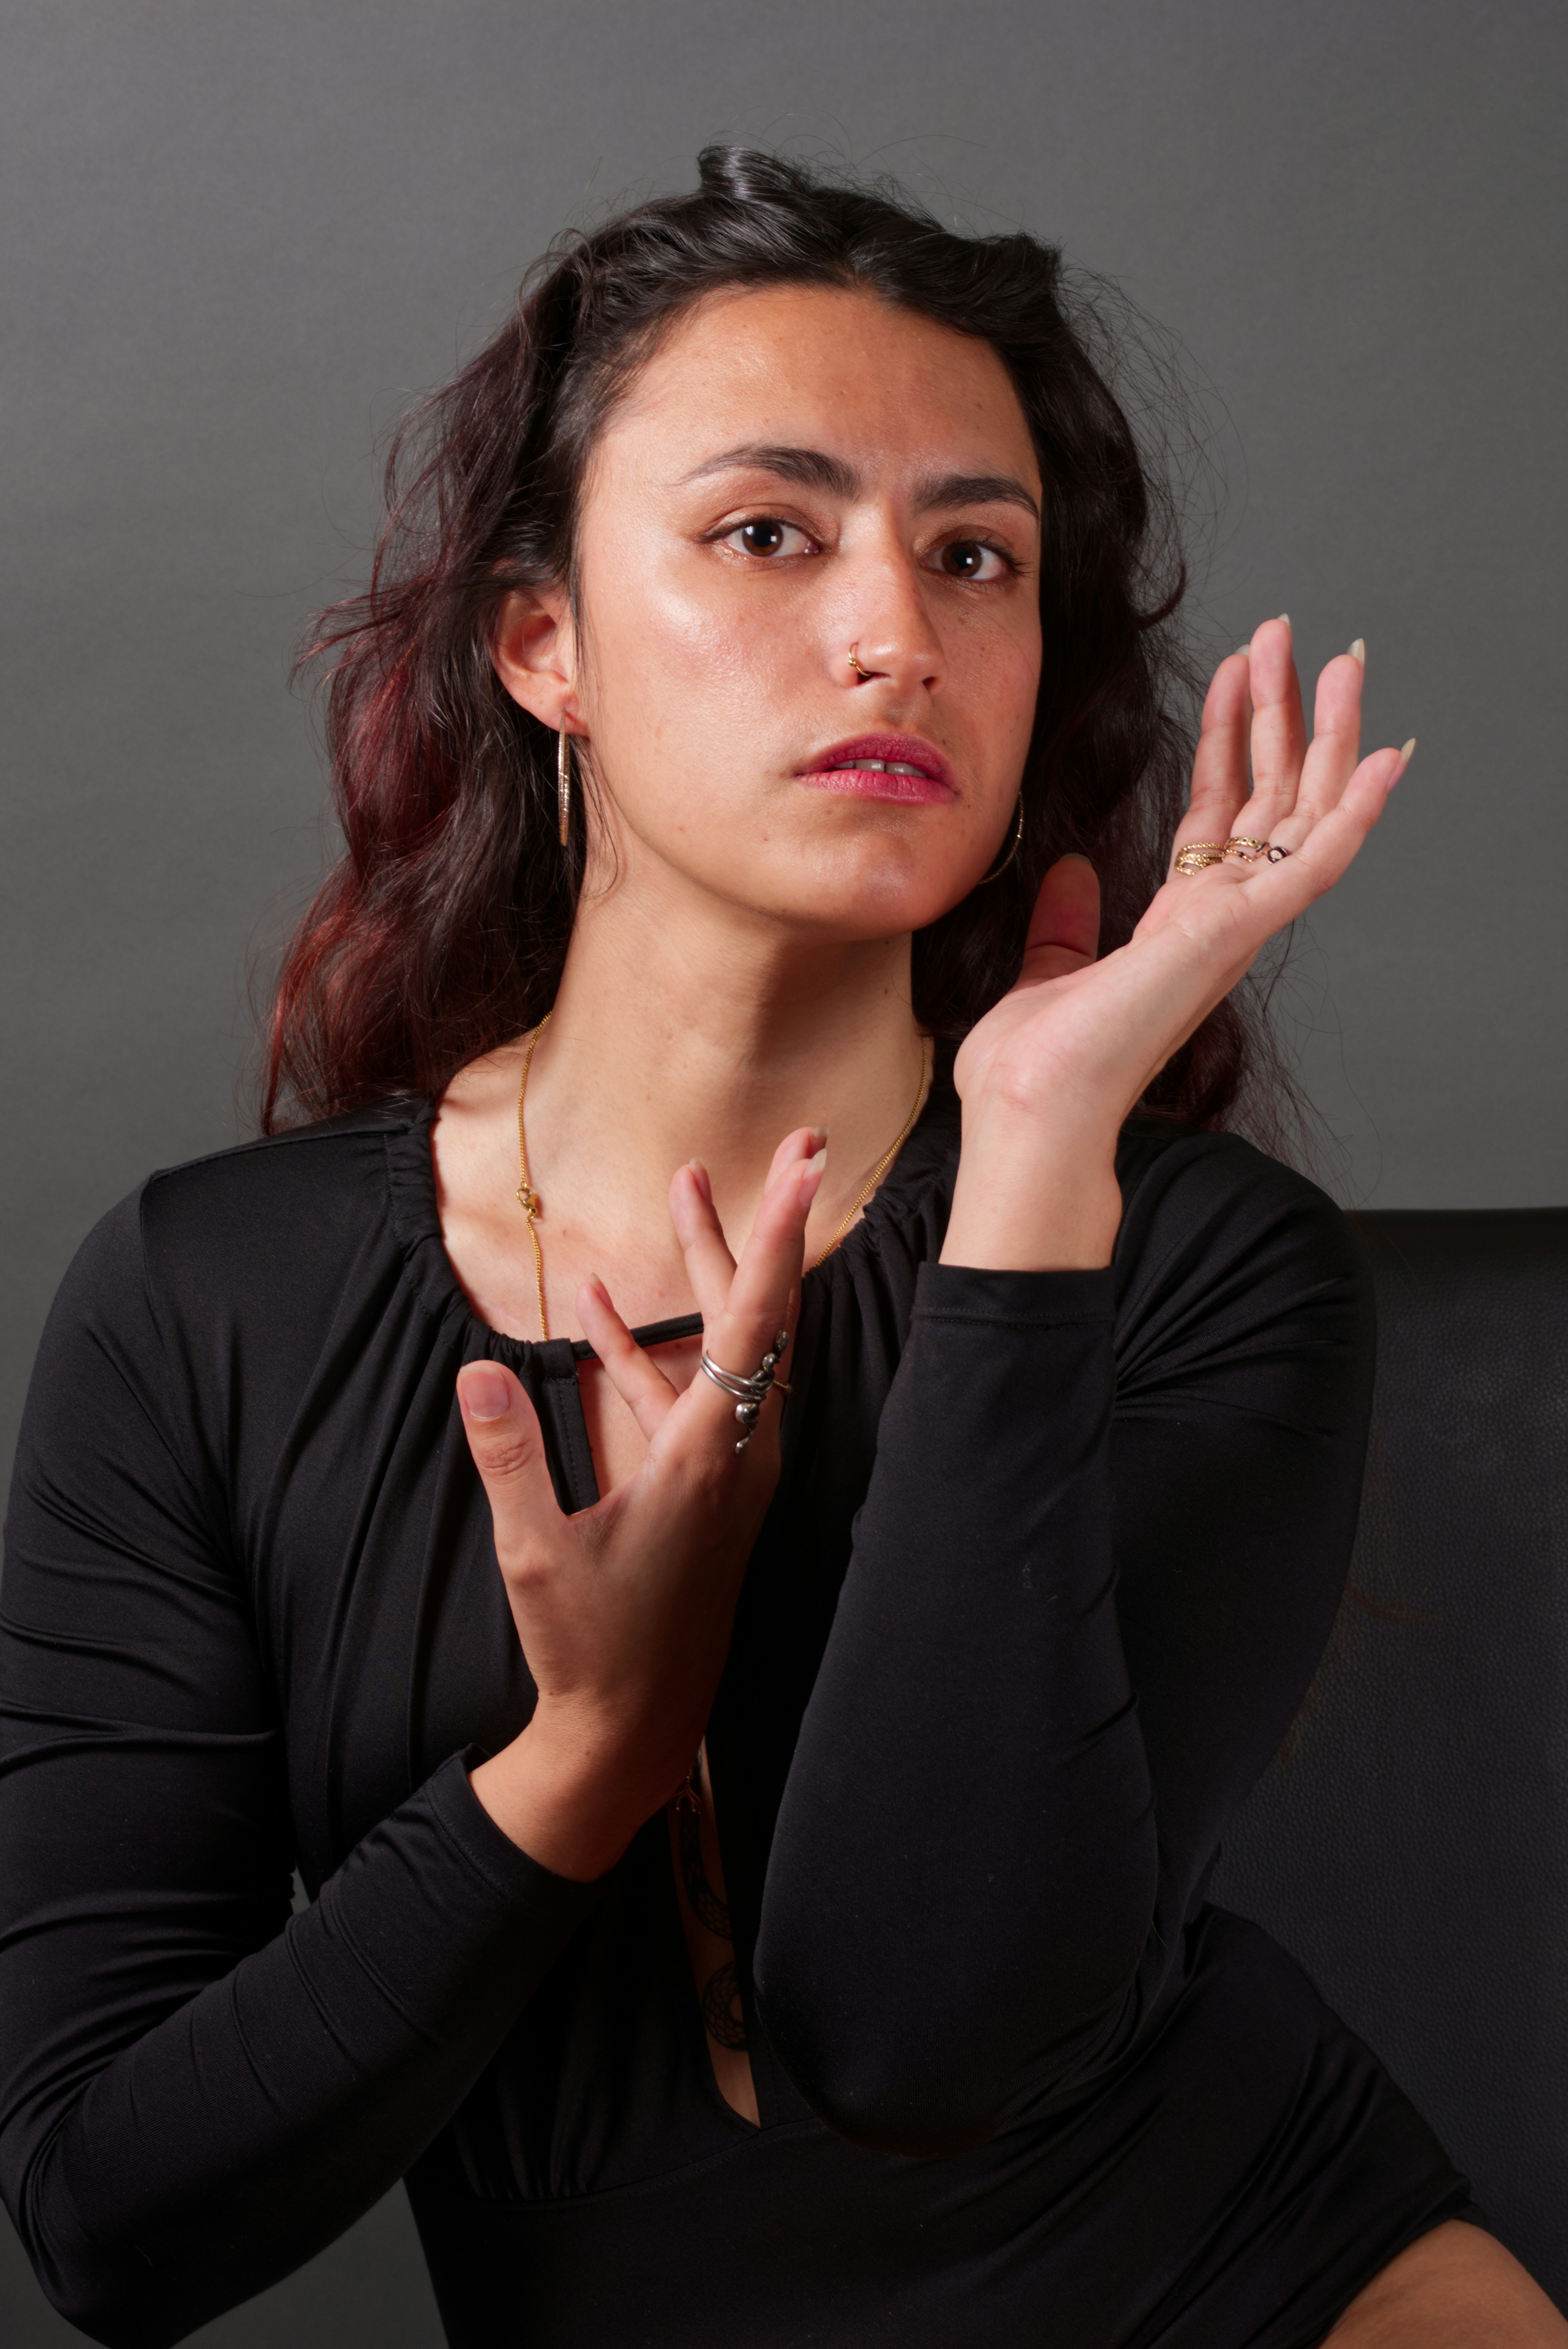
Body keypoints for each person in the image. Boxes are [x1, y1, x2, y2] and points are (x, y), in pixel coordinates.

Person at [0, 146, 1560, 2349]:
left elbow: (926, 2043)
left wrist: (1027, 1156)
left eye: (974, 556)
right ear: (542, 643)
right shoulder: (201, 1311)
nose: (892, 634)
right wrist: (586, 1756)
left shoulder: (1194, 1261)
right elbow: (111, 2223)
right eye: (768, 531)